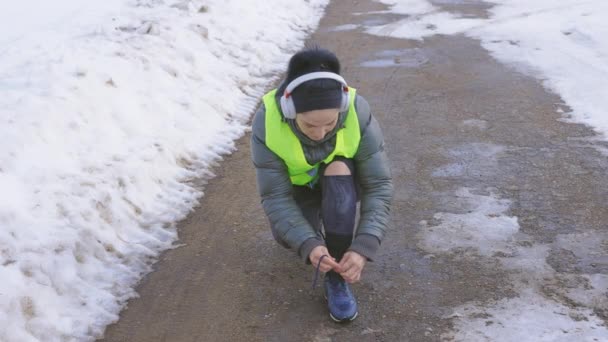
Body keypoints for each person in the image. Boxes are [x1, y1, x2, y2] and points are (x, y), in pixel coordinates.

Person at [250, 47, 393, 322]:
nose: (320, 133)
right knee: (289, 236)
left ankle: (336, 274)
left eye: (329, 123)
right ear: (291, 111)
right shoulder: (266, 122)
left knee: (338, 169)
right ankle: (317, 242)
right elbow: (275, 197)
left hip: (341, 182)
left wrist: (364, 244)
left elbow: (378, 184)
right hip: (297, 191)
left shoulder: (356, 110)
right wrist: (308, 243)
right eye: (309, 126)